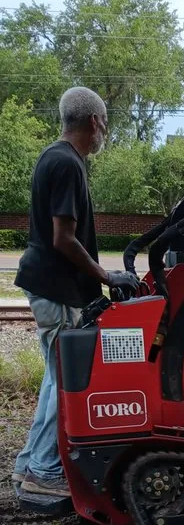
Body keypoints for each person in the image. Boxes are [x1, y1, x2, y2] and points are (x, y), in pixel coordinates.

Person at [13, 86, 140, 499]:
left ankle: (29, 463)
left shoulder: (54, 156)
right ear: (95, 122)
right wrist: (107, 277)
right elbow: (63, 238)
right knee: (64, 381)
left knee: (55, 380)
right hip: (57, 288)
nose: (105, 130)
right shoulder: (68, 164)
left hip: (49, 285)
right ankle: (43, 470)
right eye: (105, 123)